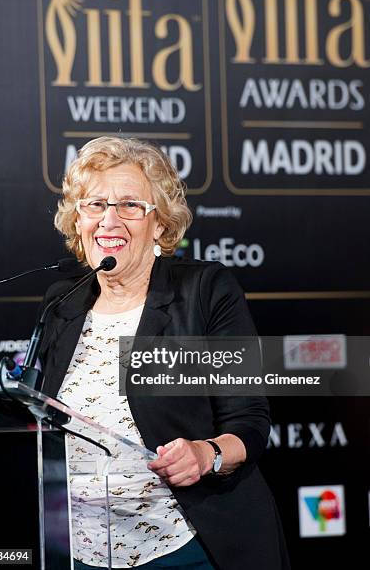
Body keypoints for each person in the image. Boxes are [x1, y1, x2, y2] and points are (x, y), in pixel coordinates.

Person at [39, 136, 290, 570]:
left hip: (183, 547)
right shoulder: (62, 303)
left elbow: (248, 421)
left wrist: (205, 454)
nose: (109, 220)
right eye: (94, 205)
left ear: (159, 224)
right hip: (77, 551)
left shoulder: (204, 291)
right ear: (78, 221)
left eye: (130, 205)